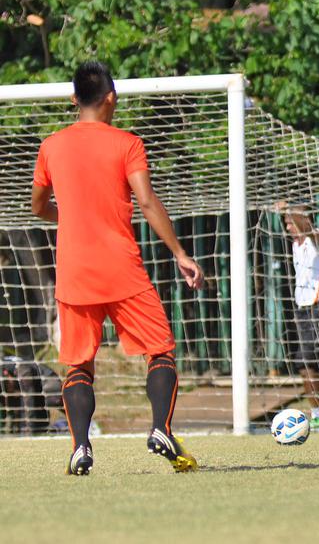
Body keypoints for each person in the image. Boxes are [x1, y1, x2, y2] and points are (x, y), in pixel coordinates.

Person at [31, 61, 205, 475]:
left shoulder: (51, 146)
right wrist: (180, 253)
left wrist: (69, 216)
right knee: (159, 350)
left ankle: (80, 448)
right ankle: (161, 428)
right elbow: (146, 201)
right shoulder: (127, 143)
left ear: (74, 99)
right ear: (112, 97)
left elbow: (38, 206)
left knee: (78, 365)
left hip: (74, 272)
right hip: (121, 269)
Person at [274, 201, 319, 430]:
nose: (288, 227)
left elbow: (309, 231)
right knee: (310, 364)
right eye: (286, 223)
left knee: (304, 360)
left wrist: (289, 210)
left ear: (303, 219)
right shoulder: (295, 244)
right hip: (302, 307)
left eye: (291, 222)